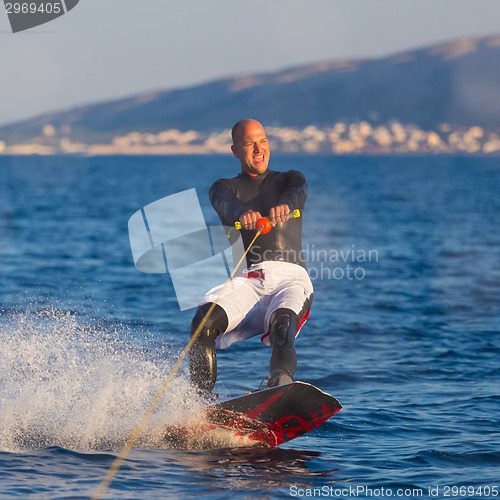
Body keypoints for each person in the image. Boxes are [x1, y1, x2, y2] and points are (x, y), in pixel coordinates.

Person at [190, 119, 313, 396]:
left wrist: (284, 205)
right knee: (203, 323)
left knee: (282, 327)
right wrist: (241, 214)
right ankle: (197, 403)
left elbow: (297, 193)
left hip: (291, 279)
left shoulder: (290, 179)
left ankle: (279, 387)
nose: (259, 149)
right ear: (235, 150)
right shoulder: (223, 187)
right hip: (250, 279)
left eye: (263, 141)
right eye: (249, 144)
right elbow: (225, 202)